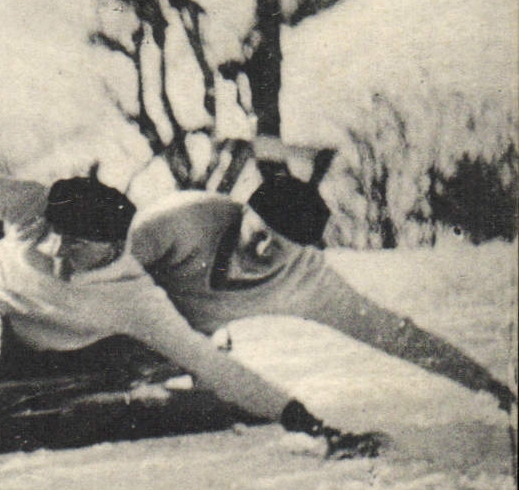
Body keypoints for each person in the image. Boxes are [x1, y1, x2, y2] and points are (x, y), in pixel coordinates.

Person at [0, 148, 385, 458]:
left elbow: (214, 365)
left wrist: (309, 423)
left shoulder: (135, 299)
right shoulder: (32, 204)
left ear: (111, 247)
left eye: (75, 247)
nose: (55, 251)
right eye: (52, 235)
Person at [128, 171, 515, 412]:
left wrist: (484, 383)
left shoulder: (306, 281)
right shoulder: (183, 218)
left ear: (303, 252)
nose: (262, 250)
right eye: (259, 234)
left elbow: (393, 333)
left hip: (170, 350)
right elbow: (88, 273)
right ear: (243, 213)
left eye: (279, 247)